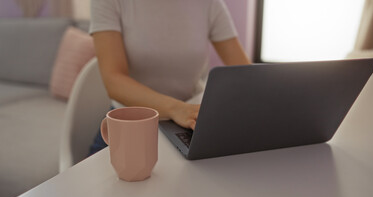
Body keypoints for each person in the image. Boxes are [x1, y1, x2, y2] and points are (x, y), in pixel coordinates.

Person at [89, 0, 251, 154]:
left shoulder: (209, 3)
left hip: (187, 121)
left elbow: (246, 75)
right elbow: (114, 81)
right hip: (130, 122)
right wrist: (177, 109)